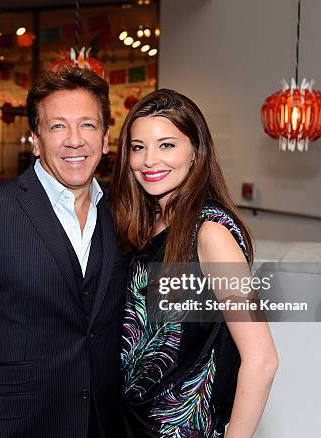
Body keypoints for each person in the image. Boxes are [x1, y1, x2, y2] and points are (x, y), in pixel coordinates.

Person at [0, 67, 128, 438]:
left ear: (104, 138)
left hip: (101, 425)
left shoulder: (121, 217)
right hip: (14, 427)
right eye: (57, 127)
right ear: (35, 140)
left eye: (87, 125)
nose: (74, 140)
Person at [112, 89, 278, 437]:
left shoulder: (210, 232)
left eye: (167, 145)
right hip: (133, 424)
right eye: (138, 147)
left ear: (195, 152)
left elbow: (261, 359)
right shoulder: (146, 226)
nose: (149, 160)